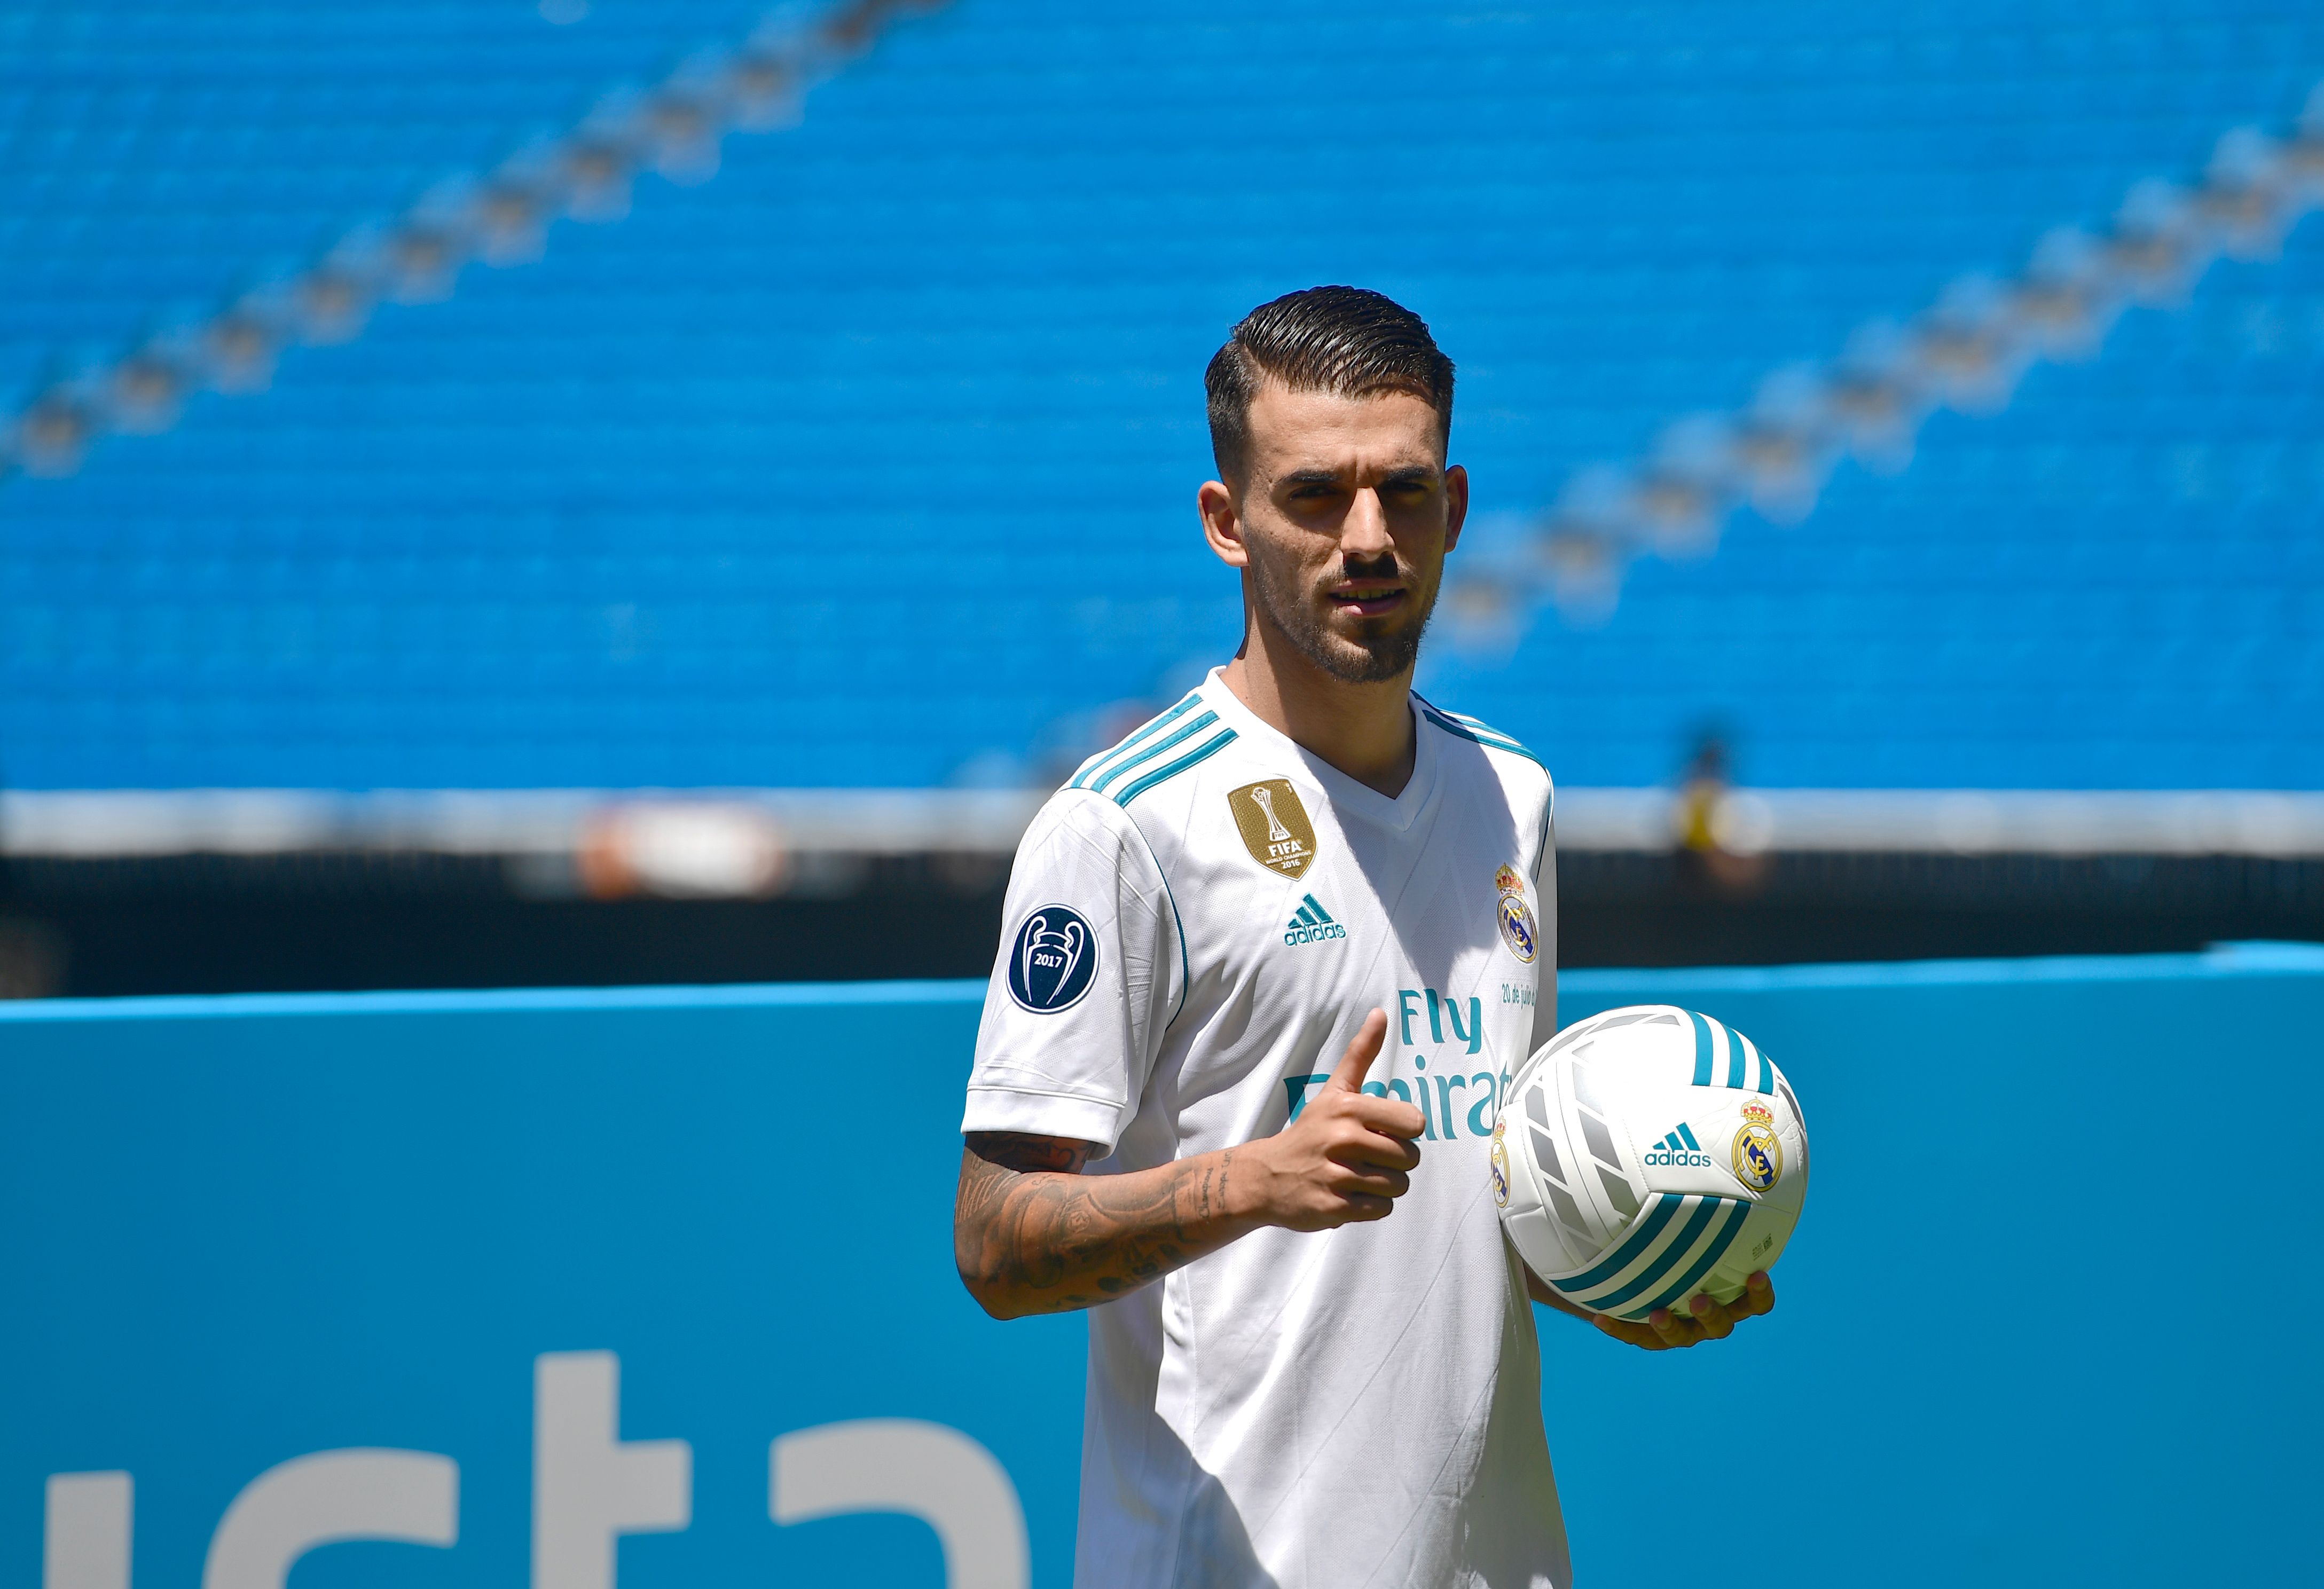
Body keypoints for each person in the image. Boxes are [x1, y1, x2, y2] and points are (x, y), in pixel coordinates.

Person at [953, 286, 1774, 1589]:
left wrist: (1629, 1257)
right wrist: (1253, 1181)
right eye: (1313, 496)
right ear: (1228, 524)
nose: (1366, 539)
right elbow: (995, 1241)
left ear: (1452, 509)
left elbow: (1478, 1199)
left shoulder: (1514, 797)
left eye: (1399, 493)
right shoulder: (1122, 826)